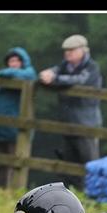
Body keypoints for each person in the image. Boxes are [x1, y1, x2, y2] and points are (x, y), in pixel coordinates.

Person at [38, 34, 102, 189]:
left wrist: (55, 78)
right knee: (68, 162)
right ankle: (70, 195)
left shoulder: (91, 67)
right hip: (68, 122)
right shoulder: (65, 66)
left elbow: (78, 80)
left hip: (86, 123)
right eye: (66, 51)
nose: (67, 53)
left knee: (89, 162)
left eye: (71, 50)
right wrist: (49, 74)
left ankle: (92, 194)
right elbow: (56, 73)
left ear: (83, 50)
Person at [0, 47, 36, 188]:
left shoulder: (27, 74)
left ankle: (13, 190)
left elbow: (29, 75)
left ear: (23, 62)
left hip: (16, 128)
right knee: (0, 162)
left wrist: (6, 73)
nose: (13, 63)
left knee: (16, 162)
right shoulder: (7, 78)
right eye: (10, 61)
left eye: (16, 60)